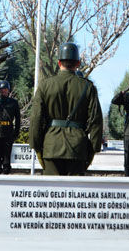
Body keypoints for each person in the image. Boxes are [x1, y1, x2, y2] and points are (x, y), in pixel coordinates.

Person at [29, 42, 103, 176]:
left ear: (58, 63)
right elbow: (96, 121)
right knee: (75, 194)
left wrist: (36, 145)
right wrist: (93, 149)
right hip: (77, 148)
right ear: (78, 64)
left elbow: (36, 118)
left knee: (51, 194)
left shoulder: (45, 85)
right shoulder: (88, 87)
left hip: (51, 147)